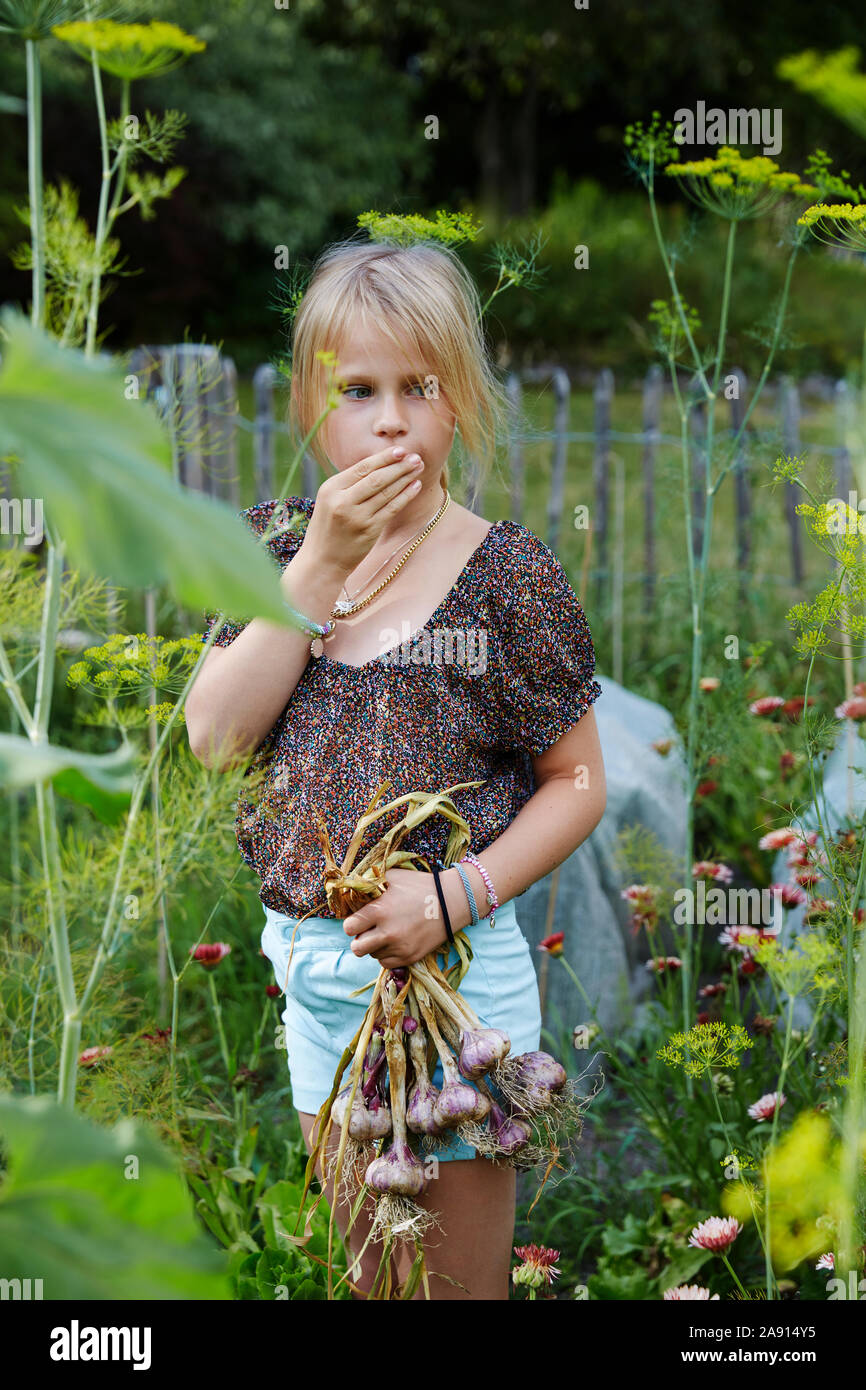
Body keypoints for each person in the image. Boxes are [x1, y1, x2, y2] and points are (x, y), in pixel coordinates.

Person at [185, 237, 606, 1300]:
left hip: (450, 989)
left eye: (418, 388)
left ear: (460, 401)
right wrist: (320, 563)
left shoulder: (504, 575)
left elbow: (577, 781)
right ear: (310, 406)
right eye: (357, 390)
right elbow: (215, 739)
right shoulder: (274, 547)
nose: (388, 421)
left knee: (453, 1293)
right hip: (314, 982)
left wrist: (453, 896)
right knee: (372, 1285)